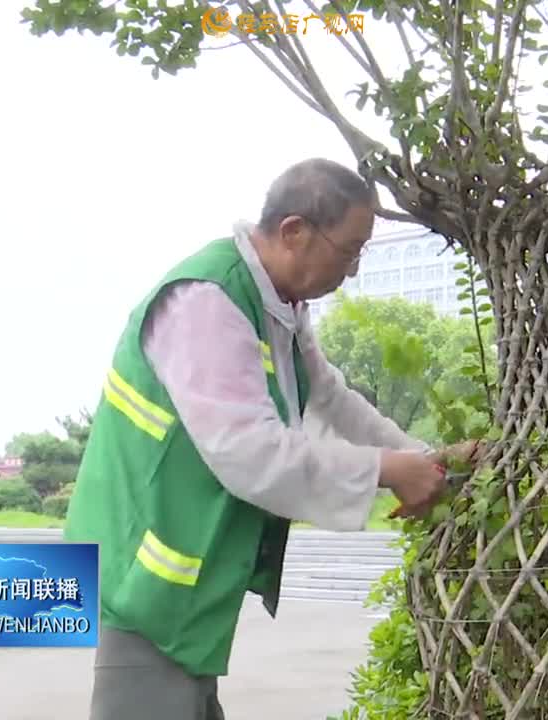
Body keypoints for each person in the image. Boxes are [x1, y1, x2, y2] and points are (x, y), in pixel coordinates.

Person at [64, 157, 479, 720]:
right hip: (144, 583)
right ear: (294, 231)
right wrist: (387, 470)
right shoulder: (206, 302)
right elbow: (250, 453)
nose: (352, 270)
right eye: (350, 250)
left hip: (187, 587)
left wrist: (422, 460)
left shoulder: (278, 306)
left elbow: (329, 399)